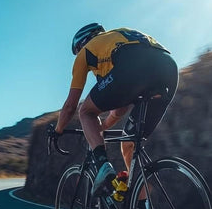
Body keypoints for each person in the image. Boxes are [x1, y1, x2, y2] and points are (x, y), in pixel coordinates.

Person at [48, 23, 179, 197]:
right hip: (168, 68)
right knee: (129, 143)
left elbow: (71, 105)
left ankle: (103, 166)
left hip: (133, 66)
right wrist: (100, 128)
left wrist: (58, 131)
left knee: (85, 111)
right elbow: (119, 109)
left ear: (82, 43)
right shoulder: (118, 36)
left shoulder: (87, 51)